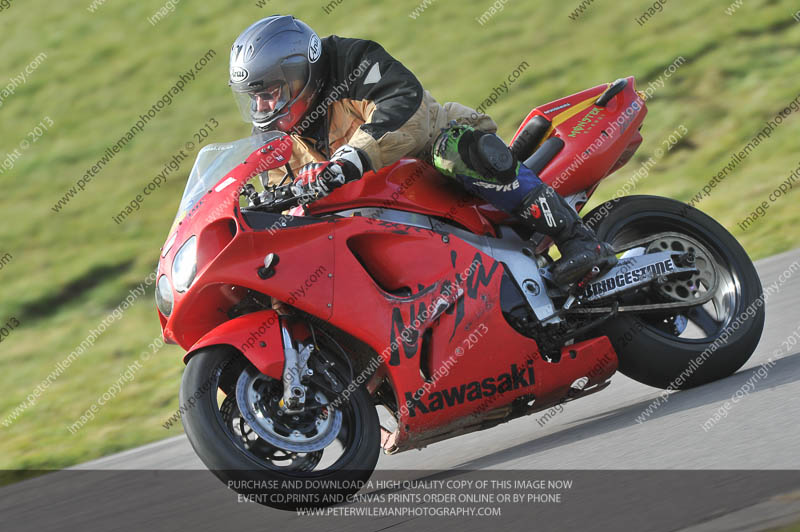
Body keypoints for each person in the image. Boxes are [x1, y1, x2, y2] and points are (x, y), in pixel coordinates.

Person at [228, 15, 616, 286]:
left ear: (300, 76)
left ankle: (578, 239)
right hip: (363, 208)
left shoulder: (351, 62)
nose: (262, 108)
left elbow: (404, 109)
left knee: (455, 150)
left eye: (270, 94)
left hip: (425, 151)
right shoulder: (273, 139)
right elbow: (280, 198)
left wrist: (347, 161)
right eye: (255, 99)